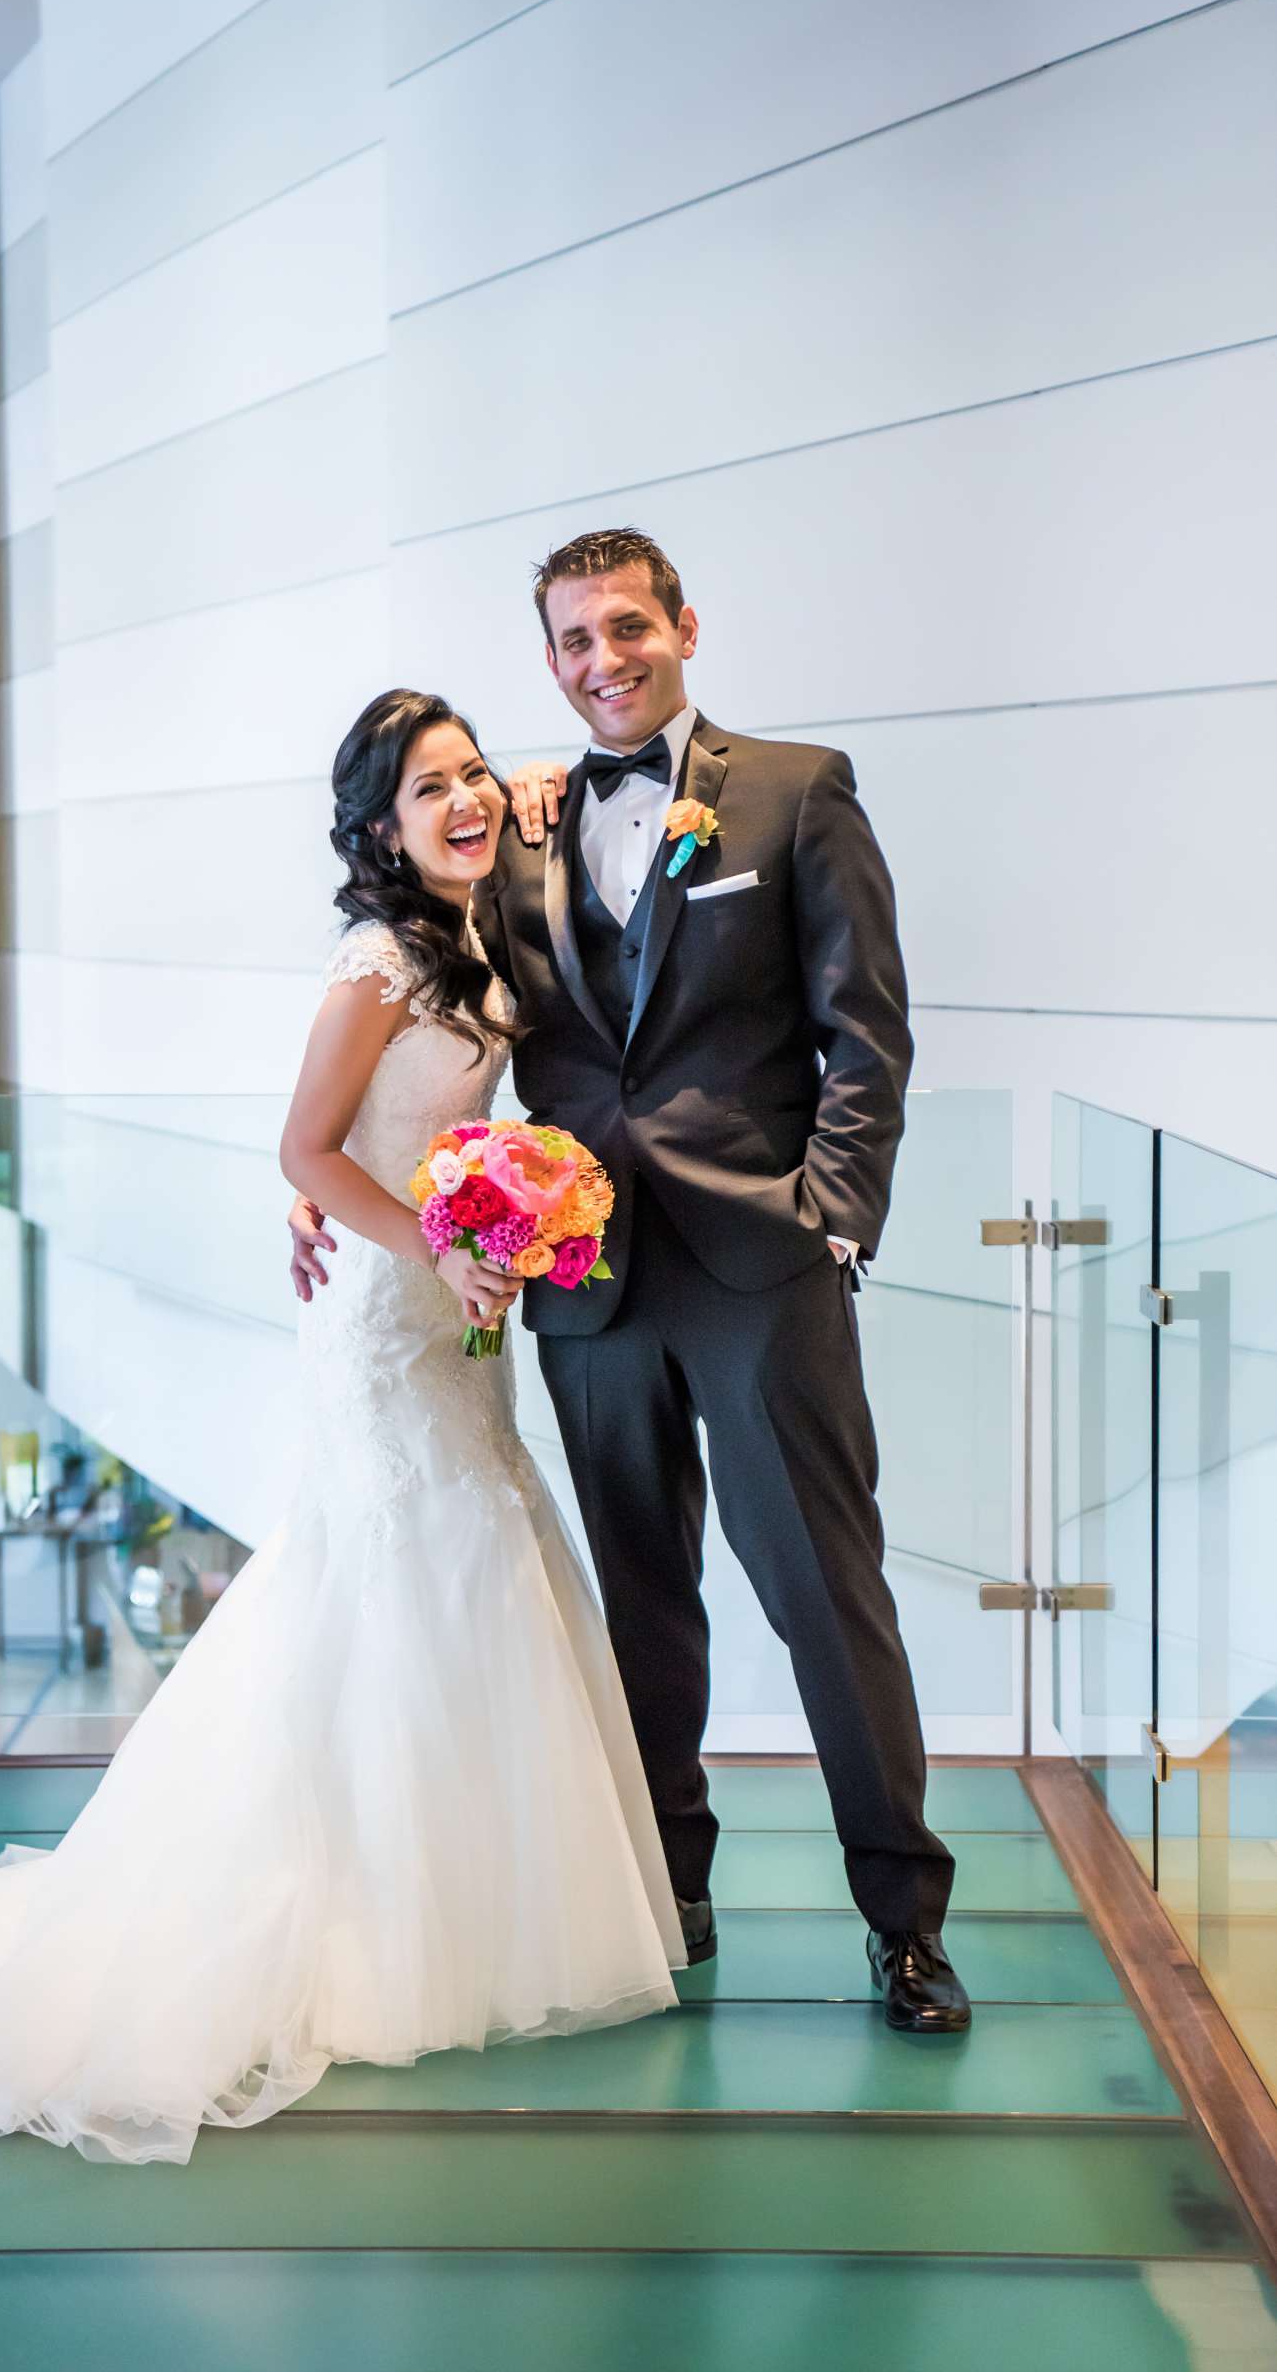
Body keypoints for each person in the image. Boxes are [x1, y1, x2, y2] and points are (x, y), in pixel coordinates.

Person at [0, 690, 684, 2167]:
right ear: (377, 827)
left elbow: (407, 1110)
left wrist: (524, 789)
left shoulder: (473, 929)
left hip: (445, 1310)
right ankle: (372, 1925)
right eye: (427, 789)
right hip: (387, 1323)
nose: (463, 802)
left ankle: (454, 1907)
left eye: (468, 775)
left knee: (460, 1566)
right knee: (415, 1563)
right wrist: (430, 1241)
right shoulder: (377, 961)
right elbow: (305, 1146)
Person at [291, 530, 970, 2034]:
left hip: (757, 1264)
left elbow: (866, 1030)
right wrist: (325, 1187)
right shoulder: (512, 833)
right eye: (573, 641)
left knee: (822, 1594)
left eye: (625, 627)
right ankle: (668, 1890)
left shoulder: (796, 791)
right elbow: (406, 1023)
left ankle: (903, 1924)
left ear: (681, 626)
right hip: (581, 1283)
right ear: (548, 663)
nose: (602, 659)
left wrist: (835, 1218)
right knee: (640, 1605)